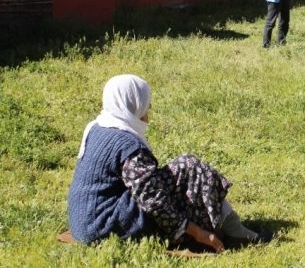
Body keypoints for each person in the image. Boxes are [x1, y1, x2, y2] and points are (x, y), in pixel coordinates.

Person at [68, 74, 271, 252]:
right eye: (145, 102)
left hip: (84, 221)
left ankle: (231, 226)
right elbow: (153, 201)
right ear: (132, 103)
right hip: (103, 227)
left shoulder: (97, 127)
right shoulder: (127, 145)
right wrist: (198, 233)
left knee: (176, 173)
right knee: (189, 167)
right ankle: (234, 231)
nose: (149, 108)